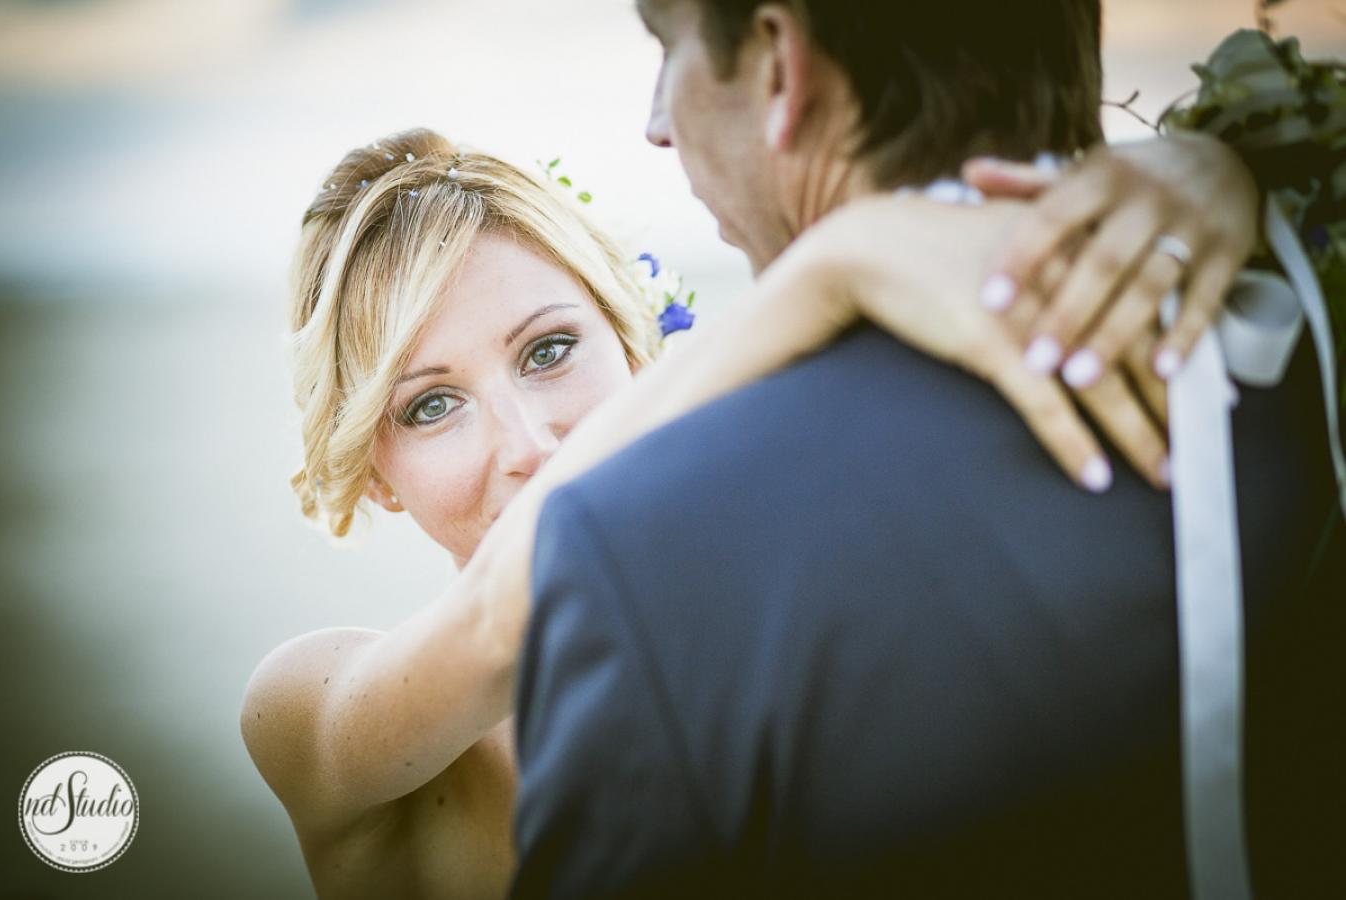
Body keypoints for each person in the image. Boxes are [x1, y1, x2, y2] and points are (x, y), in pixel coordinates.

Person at [241, 111, 1259, 897]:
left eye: (550, 350)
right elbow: (508, 609)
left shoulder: (805, 634)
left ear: (638, 345)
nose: (530, 445)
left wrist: (1211, 174)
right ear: (372, 469)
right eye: (431, 407)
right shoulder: (310, 714)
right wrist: (830, 269)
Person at [510, 1, 1346, 897]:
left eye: (666, 47)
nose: (657, 125)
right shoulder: (1309, 332)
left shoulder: (640, 550)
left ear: (778, 65)